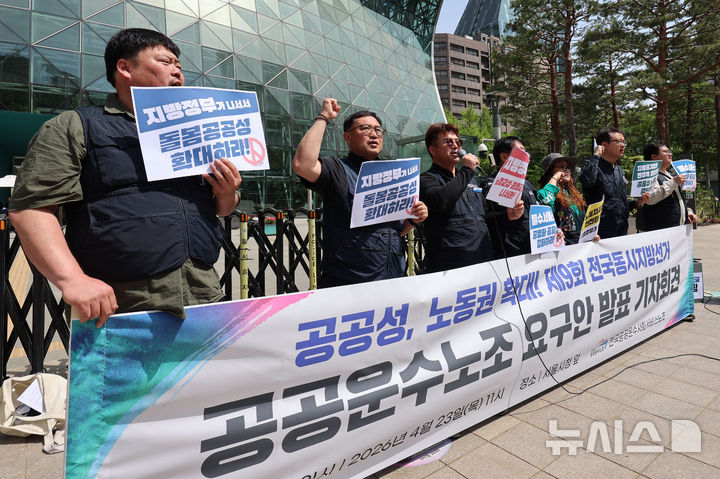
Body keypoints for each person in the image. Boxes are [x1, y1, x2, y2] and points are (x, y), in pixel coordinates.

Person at [8, 28, 242, 327]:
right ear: (125, 67)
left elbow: (223, 208)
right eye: (165, 62)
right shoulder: (76, 125)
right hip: (118, 301)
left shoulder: (197, 132)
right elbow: (31, 208)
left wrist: (227, 192)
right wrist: (73, 280)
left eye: (179, 66)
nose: (177, 72)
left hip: (203, 290)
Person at [292, 98, 428, 288]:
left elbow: (395, 231)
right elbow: (302, 164)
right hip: (350, 284)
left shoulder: (393, 174)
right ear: (347, 138)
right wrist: (324, 117)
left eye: (378, 130)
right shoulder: (339, 170)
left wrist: (413, 220)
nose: (374, 134)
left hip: (393, 280)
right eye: (365, 129)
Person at [419, 123, 493, 273]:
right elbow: (442, 200)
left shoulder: (470, 181)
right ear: (433, 150)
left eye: (458, 141)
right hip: (450, 268)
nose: (455, 145)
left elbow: (485, 216)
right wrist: (467, 170)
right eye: (448, 141)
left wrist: (508, 214)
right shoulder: (426, 179)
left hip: (482, 262)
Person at [579, 127, 650, 238]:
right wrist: (596, 156)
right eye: (618, 141)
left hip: (622, 229)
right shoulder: (592, 164)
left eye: (624, 142)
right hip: (600, 232)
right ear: (604, 145)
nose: (623, 145)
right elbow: (587, 181)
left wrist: (637, 202)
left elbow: (620, 201)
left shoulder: (618, 170)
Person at [482, 136, 534, 258]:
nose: (526, 156)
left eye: (526, 152)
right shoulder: (489, 185)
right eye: (521, 151)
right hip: (509, 256)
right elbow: (486, 219)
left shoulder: (528, 185)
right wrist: (507, 215)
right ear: (504, 156)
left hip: (533, 251)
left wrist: (553, 231)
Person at [635, 141, 697, 231]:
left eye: (669, 151)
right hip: (658, 232)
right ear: (653, 157)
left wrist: (688, 213)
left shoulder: (670, 176)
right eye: (665, 152)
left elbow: (676, 201)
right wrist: (673, 182)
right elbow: (651, 199)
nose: (670, 154)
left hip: (675, 230)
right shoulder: (647, 175)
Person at [536, 153, 597, 245]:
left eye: (568, 167)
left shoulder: (572, 193)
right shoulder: (545, 192)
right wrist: (555, 177)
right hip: (562, 245)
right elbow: (545, 200)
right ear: (550, 171)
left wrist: (591, 237)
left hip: (581, 244)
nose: (567, 170)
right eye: (562, 167)